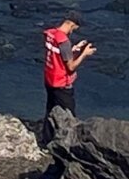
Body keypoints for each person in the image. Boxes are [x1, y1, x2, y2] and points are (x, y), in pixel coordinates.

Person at [41, 10, 96, 144]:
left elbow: (58, 55)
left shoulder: (51, 35)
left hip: (49, 78)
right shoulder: (64, 41)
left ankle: (47, 139)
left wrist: (74, 49)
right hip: (61, 83)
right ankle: (69, 145)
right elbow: (70, 66)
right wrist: (84, 54)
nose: (74, 31)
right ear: (72, 25)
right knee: (69, 115)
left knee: (50, 109)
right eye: (75, 28)